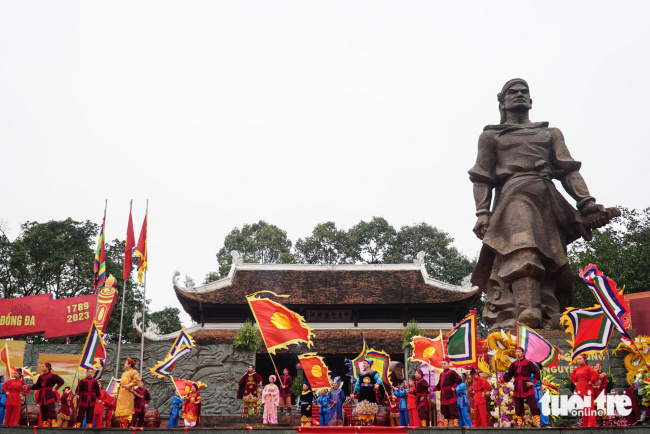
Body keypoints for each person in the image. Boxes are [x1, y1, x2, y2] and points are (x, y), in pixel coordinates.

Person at [469, 78, 616, 331]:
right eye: (512, 92)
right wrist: (482, 212)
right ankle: (528, 309)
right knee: (523, 250)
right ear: (502, 102)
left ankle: (550, 310)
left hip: (548, 199)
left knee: (556, 263)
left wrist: (586, 202)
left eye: (524, 92)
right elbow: (483, 177)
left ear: (531, 100)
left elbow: (568, 171)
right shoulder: (491, 136)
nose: (519, 95)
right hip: (514, 196)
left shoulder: (549, 133)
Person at [502, 347, 541, 427]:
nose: (518, 353)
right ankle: (520, 423)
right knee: (518, 406)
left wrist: (532, 382)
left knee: (533, 405)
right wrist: (502, 380)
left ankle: (537, 423)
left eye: (519, 352)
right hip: (517, 387)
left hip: (526, 386)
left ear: (523, 353)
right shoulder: (514, 364)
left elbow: (537, 372)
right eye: (516, 352)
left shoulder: (528, 363)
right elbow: (509, 374)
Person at [29, 362, 65, 427]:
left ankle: (54, 426)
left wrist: (56, 388)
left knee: (51, 411)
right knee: (43, 412)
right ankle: (44, 426)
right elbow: (37, 386)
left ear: (47, 368)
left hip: (49, 396)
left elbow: (61, 381)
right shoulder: (41, 376)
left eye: (43, 366)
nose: (42, 368)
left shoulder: (53, 376)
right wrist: (28, 387)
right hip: (42, 397)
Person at [570, 354, 599, 428]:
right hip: (579, 388)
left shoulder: (588, 368)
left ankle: (591, 424)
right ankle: (585, 424)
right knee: (583, 408)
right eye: (578, 359)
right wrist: (575, 382)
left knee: (589, 407)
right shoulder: (576, 369)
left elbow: (595, 375)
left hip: (587, 388)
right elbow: (571, 377)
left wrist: (591, 381)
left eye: (580, 359)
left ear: (585, 359)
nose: (579, 360)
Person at [431, 358, 462, 427]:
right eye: (442, 364)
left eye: (444, 364)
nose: (443, 365)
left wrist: (454, 386)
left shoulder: (452, 372)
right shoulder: (442, 374)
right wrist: (432, 389)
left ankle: (455, 426)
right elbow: (439, 386)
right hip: (443, 396)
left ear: (448, 364)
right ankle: (446, 426)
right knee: (445, 412)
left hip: (450, 395)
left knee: (453, 411)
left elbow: (459, 379)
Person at [352, 358, 382, 426]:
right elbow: (357, 384)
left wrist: (378, 384)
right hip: (362, 392)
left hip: (370, 392)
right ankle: (362, 421)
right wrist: (354, 392)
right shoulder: (360, 374)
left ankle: (370, 421)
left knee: (370, 406)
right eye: (363, 363)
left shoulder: (374, 373)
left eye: (365, 363)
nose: (363, 365)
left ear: (369, 364)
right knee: (361, 406)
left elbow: (379, 380)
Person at [115, 357, 141, 427]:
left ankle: (126, 427)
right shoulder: (124, 373)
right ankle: (122, 427)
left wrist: (129, 385)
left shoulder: (134, 372)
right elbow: (120, 384)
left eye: (126, 363)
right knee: (121, 411)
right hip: (121, 394)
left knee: (127, 410)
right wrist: (117, 393)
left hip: (128, 393)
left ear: (129, 365)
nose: (124, 364)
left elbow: (137, 380)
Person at [530, 363, 550, 427]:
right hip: (536, 392)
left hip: (536, 392)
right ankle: (541, 423)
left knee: (541, 407)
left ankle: (545, 423)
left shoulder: (533, 374)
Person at [593, 361, 608, 427]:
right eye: (596, 366)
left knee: (603, 407)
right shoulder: (593, 375)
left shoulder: (604, 375)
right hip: (594, 393)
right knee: (595, 407)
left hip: (601, 393)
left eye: (599, 366)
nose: (597, 367)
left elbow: (605, 385)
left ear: (601, 367)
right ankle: (598, 421)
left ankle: (605, 421)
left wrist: (596, 386)